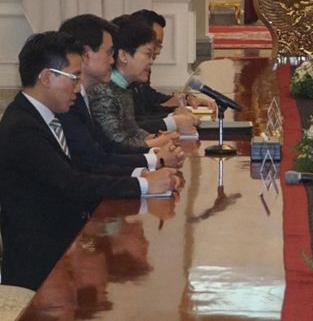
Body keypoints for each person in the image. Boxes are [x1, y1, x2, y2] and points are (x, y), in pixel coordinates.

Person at [0, 32, 179, 290]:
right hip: (41, 262)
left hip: (65, 244)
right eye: (73, 77)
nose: (77, 86)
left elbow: (83, 166)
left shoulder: (43, 115)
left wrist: (142, 175)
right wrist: (144, 185)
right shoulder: (22, 126)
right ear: (46, 77)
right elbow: (71, 182)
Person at [57, 14, 185, 169]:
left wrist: (154, 151)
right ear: (85, 55)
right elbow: (98, 157)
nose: (112, 60)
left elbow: (109, 145)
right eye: (109, 53)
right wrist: (156, 156)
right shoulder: (77, 99)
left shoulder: (85, 95)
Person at [88, 16, 178, 152]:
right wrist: (157, 142)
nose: (151, 62)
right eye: (148, 54)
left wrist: (153, 136)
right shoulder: (103, 92)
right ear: (123, 55)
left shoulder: (124, 87)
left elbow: (132, 130)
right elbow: (117, 143)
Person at [130, 9, 214, 133]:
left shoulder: (141, 69)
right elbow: (135, 122)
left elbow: (150, 97)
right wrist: (171, 114)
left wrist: (186, 99)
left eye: (160, 45)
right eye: (154, 45)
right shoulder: (122, 80)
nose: (157, 51)